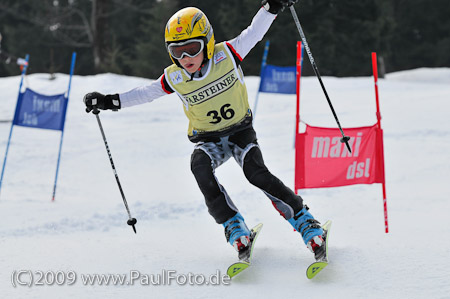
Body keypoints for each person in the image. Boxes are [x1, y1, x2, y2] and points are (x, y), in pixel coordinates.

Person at [84, 0, 326, 260]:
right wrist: (110, 101)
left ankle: (305, 221)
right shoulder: (174, 77)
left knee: (256, 174)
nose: (185, 58)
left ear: (208, 43)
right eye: (177, 52)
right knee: (199, 167)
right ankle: (233, 224)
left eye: (192, 49)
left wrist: (272, 7)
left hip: (240, 133)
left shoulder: (228, 54)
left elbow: (254, 33)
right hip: (208, 140)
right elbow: (146, 93)